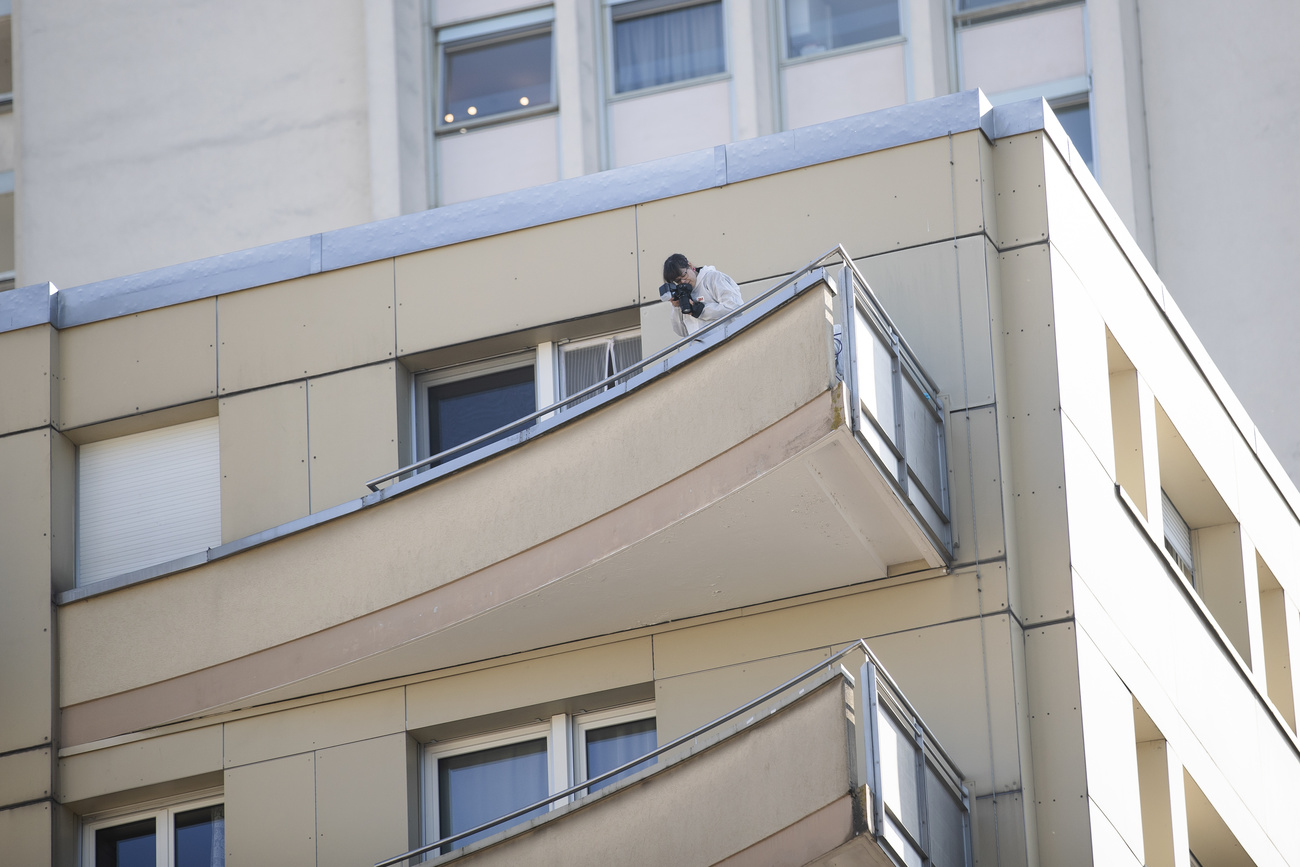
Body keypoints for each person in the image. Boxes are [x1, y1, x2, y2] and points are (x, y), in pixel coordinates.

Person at [661, 253, 744, 338]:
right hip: (698, 345)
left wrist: (702, 311)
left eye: (683, 275)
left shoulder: (713, 277)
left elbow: (736, 308)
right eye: (678, 281)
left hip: (725, 340)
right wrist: (677, 308)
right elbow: (682, 332)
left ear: (690, 266)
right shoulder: (682, 293)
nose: (683, 281)